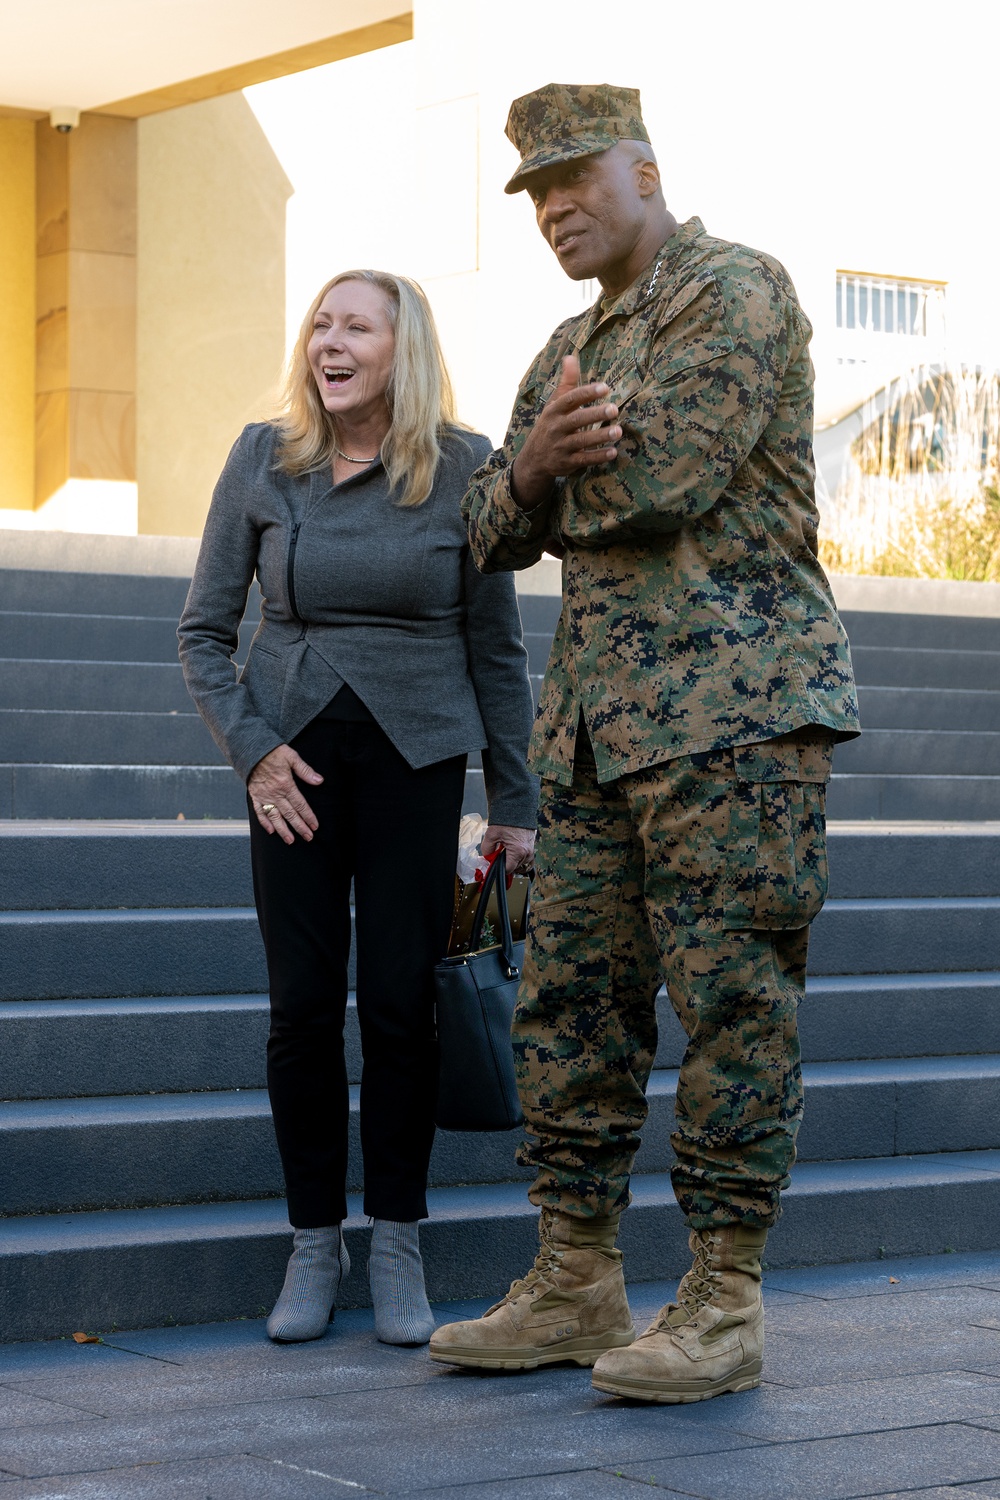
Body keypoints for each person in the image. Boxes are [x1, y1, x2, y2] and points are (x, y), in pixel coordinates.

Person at [430, 84, 859, 1401]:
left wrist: (547, 471)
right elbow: (480, 535)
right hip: (595, 736)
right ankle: (575, 1278)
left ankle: (722, 1300)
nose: (557, 206)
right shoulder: (566, 345)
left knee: (732, 1004)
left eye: (577, 179)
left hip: (734, 712)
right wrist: (543, 466)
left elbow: (666, 474)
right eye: (535, 192)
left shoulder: (736, 289)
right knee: (570, 1011)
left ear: (644, 170)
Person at [178, 269, 537, 1347]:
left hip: (414, 763)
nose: (328, 343)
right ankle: (311, 1239)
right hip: (291, 770)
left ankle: (395, 1237)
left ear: (401, 350)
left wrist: (513, 803)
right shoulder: (261, 457)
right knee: (300, 1009)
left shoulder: (465, 467)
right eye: (320, 326)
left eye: (355, 328)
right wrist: (254, 756)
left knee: (395, 1004)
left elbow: (497, 649)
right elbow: (203, 633)